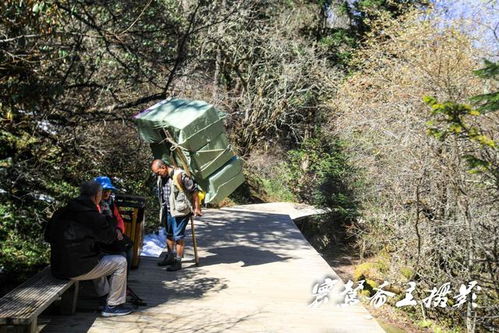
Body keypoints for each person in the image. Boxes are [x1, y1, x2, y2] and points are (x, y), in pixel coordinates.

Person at [44, 180, 133, 317]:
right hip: (75, 269)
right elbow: (109, 238)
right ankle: (113, 305)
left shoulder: (61, 212)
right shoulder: (93, 216)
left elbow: (48, 236)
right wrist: (108, 219)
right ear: (97, 195)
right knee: (120, 261)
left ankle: (104, 296)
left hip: (58, 267)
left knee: (98, 258)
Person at [151, 159, 202, 271]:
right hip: (168, 210)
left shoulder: (180, 176)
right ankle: (170, 257)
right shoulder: (161, 177)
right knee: (169, 234)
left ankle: (178, 262)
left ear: (163, 167)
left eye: (158, 172)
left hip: (180, 211)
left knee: (178, 237)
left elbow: (194, 190)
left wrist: (197, 208)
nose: (157, 175)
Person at [94, 176, 133, 273]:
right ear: (97, 191)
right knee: (122, 255)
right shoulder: (94, 206)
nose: (107, 193)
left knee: (128, 247)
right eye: (104, 190)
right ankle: (117, 284)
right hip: (101, 242)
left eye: (109, 190)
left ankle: (124, 282)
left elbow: (119, 219)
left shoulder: (110, 203)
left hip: (112, 236)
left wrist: (119, 230)